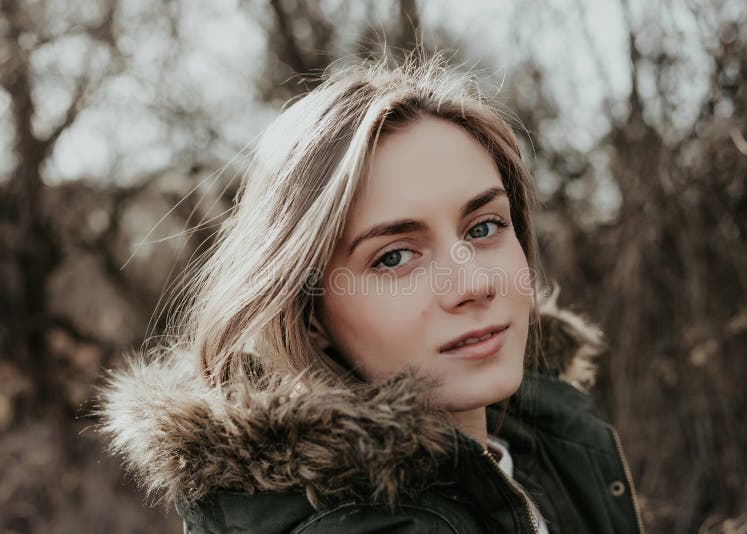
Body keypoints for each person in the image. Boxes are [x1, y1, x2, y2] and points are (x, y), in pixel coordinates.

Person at [94, 49, 644, 533]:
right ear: (308, 313)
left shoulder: (549, 446)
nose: (474, 284)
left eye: (484, 227)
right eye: (394, 257)